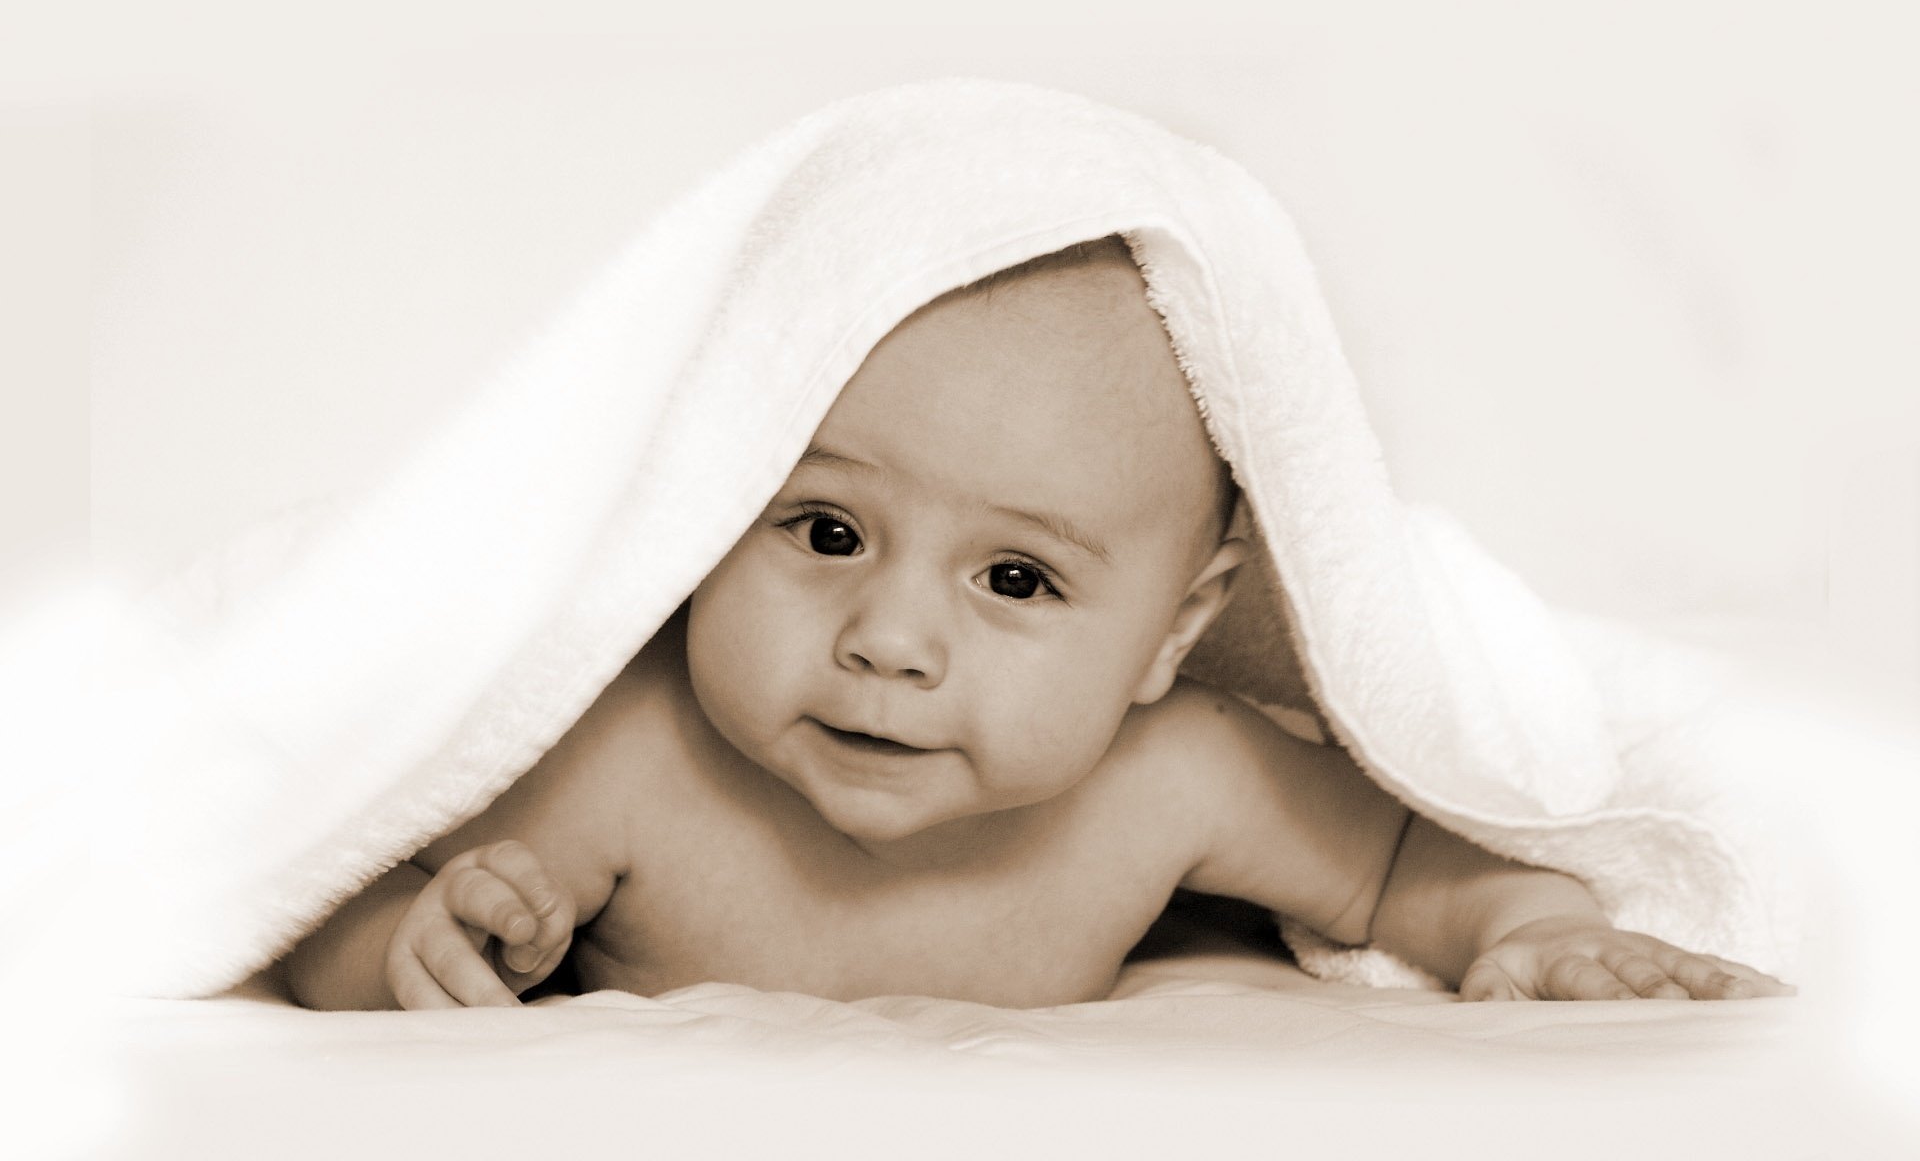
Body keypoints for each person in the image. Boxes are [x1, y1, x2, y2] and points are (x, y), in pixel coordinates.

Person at [284, 237, 1793, 1011]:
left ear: (1168, 634)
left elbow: (1409, 869)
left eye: (1016, 580)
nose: (887, 638)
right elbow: (317, 891)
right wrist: (416, 946)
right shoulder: (624, 762)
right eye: (825, 532)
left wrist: (1532, 935)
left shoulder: (1174, 781)